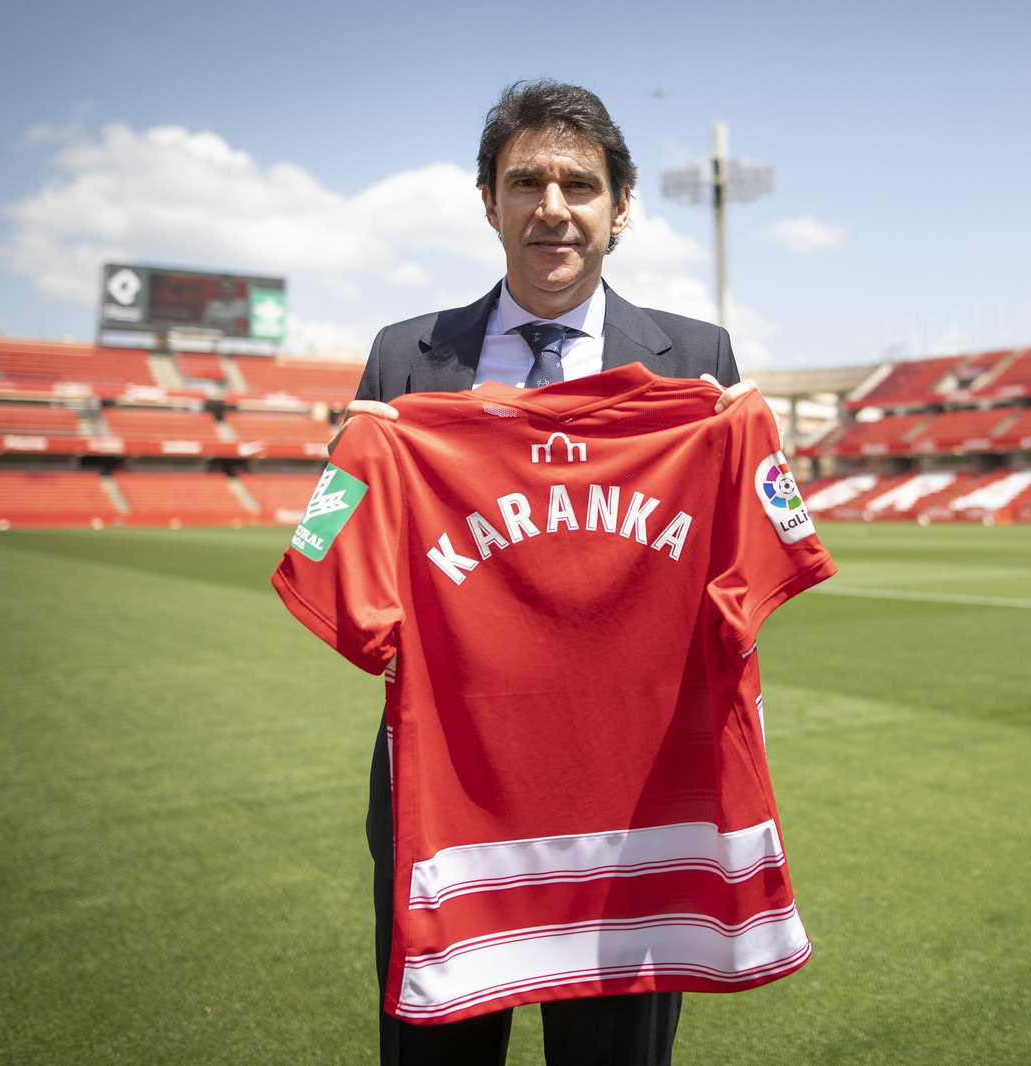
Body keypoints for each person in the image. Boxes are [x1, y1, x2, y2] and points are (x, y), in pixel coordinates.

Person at [333, 79, 768, 1066]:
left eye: (579, 184)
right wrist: (349, 467)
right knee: (436, 1049)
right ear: (487, 202)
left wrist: (744, 441)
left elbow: (744, 562)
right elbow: (347, 552)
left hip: (632, 799)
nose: (552, 208)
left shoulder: (696, 367)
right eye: (524, 182)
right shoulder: (405, 358)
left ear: (620, 206)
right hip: (448, 788)